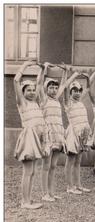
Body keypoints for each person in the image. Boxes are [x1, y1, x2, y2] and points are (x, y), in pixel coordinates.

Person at [14, 61, 50, 209]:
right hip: (29, 139)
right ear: (23, 92)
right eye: (28, 90)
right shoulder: (22, 103)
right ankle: (25, 201)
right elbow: (16, 80)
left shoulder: (36, 103)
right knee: (28, 171)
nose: (32, 92)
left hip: (37, 138)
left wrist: (42, 69)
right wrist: (27, 65)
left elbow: (40, 82)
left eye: (33, 90)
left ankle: (28, 200)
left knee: (32, 171)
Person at [40, 62, 67, 201]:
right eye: (51, 87)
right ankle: (44, 193)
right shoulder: (44, 99)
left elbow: (64, 84)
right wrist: (44, 69)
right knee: (46, 165)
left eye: (55, 88)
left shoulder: (57, 100)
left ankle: (51, 192)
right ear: (46, 89)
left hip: (58, 135)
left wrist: (65, 71)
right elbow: (39, 83)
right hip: (47, 136)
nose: (54, 90)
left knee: (54, 165)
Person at [63, 68, 92, 194]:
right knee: (70, 160)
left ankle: (78, 185)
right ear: (70, 92)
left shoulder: (80, 102)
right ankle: (70, 187)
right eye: (74, 91)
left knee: (78, 161)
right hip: (73, 133)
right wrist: (74, 75)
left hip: (83, 133)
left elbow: (89, 88)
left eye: (79, 91)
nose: (77, 93)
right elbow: (64, 87)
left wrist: (86, 78)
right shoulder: (68, 103)